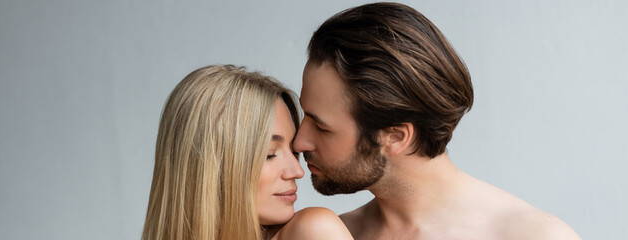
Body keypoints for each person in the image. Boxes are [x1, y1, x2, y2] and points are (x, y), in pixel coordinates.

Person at [294, 2, 581, 239]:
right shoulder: (333, 234)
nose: (299, 142)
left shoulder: (534, 235)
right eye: (305, 115)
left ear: (396, 136)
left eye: (321, 127)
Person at [141, 65, 353, 240]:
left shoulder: (313, 231)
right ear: (210, 169)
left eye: (291, 150)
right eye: (270, 154)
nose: (298, 171)